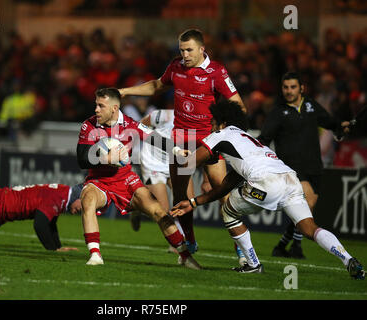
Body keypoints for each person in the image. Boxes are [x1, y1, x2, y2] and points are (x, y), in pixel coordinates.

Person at [169, 100, 364, 280]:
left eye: (212, 122)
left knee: (228, 212)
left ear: (222, 122)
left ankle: (253, 264)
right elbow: (226, 185)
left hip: (265, 183)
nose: (211, 126)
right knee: (309, 228)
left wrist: (176, 150)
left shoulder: (220, 134)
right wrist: (194, 202)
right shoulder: (245, 139)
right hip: (289, 178)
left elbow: (188, 163)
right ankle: (348, 259)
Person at [119, 28, 246, 255]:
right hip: (181, 140)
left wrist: (223, 129)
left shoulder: (216, 72)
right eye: (182, 50)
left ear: (201, 49)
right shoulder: (176, 67)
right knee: (180, 197)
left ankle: (241, 243)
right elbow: (157, 85)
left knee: (221, 190)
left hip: (208, 140)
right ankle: (190, 241)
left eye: (189, 50)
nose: (185, 54)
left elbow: (239, 105)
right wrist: (125, 91)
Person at [76, 87, 201, 269]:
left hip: (126, 179)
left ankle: (184, 255)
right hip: (99, 182)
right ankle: (95, 254)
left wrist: (176, 150)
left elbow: (155, 138)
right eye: (96, 105)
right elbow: (81, 158)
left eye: (100, 106)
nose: (96, 110)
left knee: (159, 211)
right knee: (87, 200)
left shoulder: (130, 124)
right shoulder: (89, 125)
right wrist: (105, 158)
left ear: (114, 108)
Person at [258, 72, 351, 259]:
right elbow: (264, 139)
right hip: (292, 168)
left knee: (308, 208)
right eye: (285, 87)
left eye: (293, 87)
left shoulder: (310, 106)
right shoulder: (278, 112)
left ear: (302, 88)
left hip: (314, 166)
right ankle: (297, 247)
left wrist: (341, 125)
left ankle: (282, 245)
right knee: (306, 204)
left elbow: (330, 122)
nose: (289, 91)